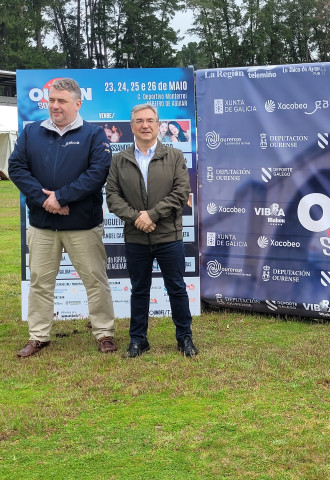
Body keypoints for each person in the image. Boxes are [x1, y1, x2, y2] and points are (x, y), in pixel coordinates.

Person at [9, 78, 117, 357]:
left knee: (95, 280)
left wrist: (61, 197)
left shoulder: (94, 134)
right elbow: (17, 168)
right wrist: (47, 200)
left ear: (77, 103)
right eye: (52, 100)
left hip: (83, 225)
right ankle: (39, 336)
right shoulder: (32, 131)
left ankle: (104, 332)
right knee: (40, 282)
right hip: (43, 225)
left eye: (62, 101)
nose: (54, 106)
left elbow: (97, 173)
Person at [106, 104, 198, 358]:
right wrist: (137, 218)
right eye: (139, 121)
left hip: (168, 235)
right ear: (131, 126)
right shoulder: (119, 159)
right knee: (139, 290)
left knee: (177, 288)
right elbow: (112, 197)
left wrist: (152, 215)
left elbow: (181, 193)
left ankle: (184, 338)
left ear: (158, 125)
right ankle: (138, 340)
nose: (145, 125)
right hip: (136, 237)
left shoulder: (175, 156)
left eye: (150, 120)